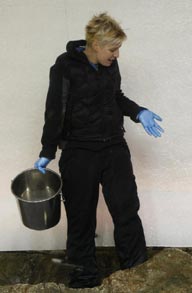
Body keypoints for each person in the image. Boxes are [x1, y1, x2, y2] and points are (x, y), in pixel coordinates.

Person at [33, 12, 163, 288]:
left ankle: (136, 273)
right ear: (95, 44)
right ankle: (84, 279)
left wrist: (138, 112)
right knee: (81, 219)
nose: (117, 55)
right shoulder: (65, 67)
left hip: (114, 147)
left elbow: (115, 96)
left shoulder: (109, 65)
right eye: (113, 49)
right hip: (79, 152)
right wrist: (48, 149)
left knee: (127, 211)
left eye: (118, 49)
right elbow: (54, 110)